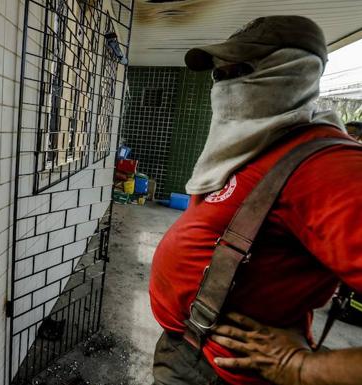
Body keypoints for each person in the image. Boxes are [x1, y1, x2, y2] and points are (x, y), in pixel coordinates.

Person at [149, 15, 362, 385]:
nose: (223, 83)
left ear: (294, 72)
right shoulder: (258, 142)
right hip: (188, 348)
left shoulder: (330, 167)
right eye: (219, 74)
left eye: (238, 70)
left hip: (224, 373)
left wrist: (302, 367)